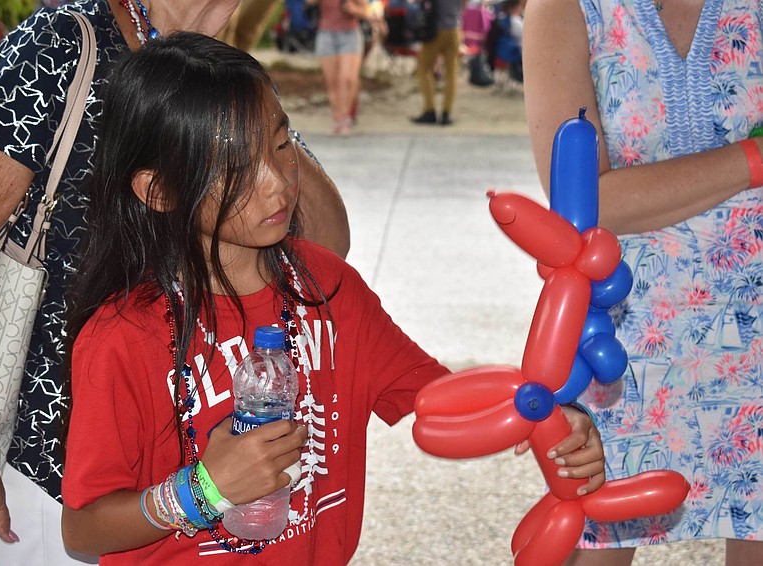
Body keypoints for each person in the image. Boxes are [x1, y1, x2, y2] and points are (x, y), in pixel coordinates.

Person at [60, 31, 608, 564]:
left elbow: (435, 397)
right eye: (235, 169)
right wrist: (204, 490)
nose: (277, 183)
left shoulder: (327, 284)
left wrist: (550, 416)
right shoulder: (124, 337)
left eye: (280, 145)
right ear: (160, 191)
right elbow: (84, 529)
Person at [0, 1, 350, 565]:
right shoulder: (61, 44)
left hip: (207, 469)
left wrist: (232, 85)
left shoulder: (215, 69)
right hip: (64, 481)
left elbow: (325, 244)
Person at [523, 0, 763, 563]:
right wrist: (751, 161)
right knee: (598, 531)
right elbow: (583, 201)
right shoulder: (566, 8)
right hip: (620, 336)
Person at [308, 0, 370, 135]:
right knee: (332, 82)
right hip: (326, 34)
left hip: (350, 35)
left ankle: (345, 117)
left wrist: (354, 9)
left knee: (348, 78)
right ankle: (338, 117)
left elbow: (367, 11)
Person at [410, 0, 466, 126]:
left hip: (435, 30)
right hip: (454, 29)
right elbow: (464, 5)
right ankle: (446, 112)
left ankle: (430, 110)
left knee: (424, 69)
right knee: (451, 73)